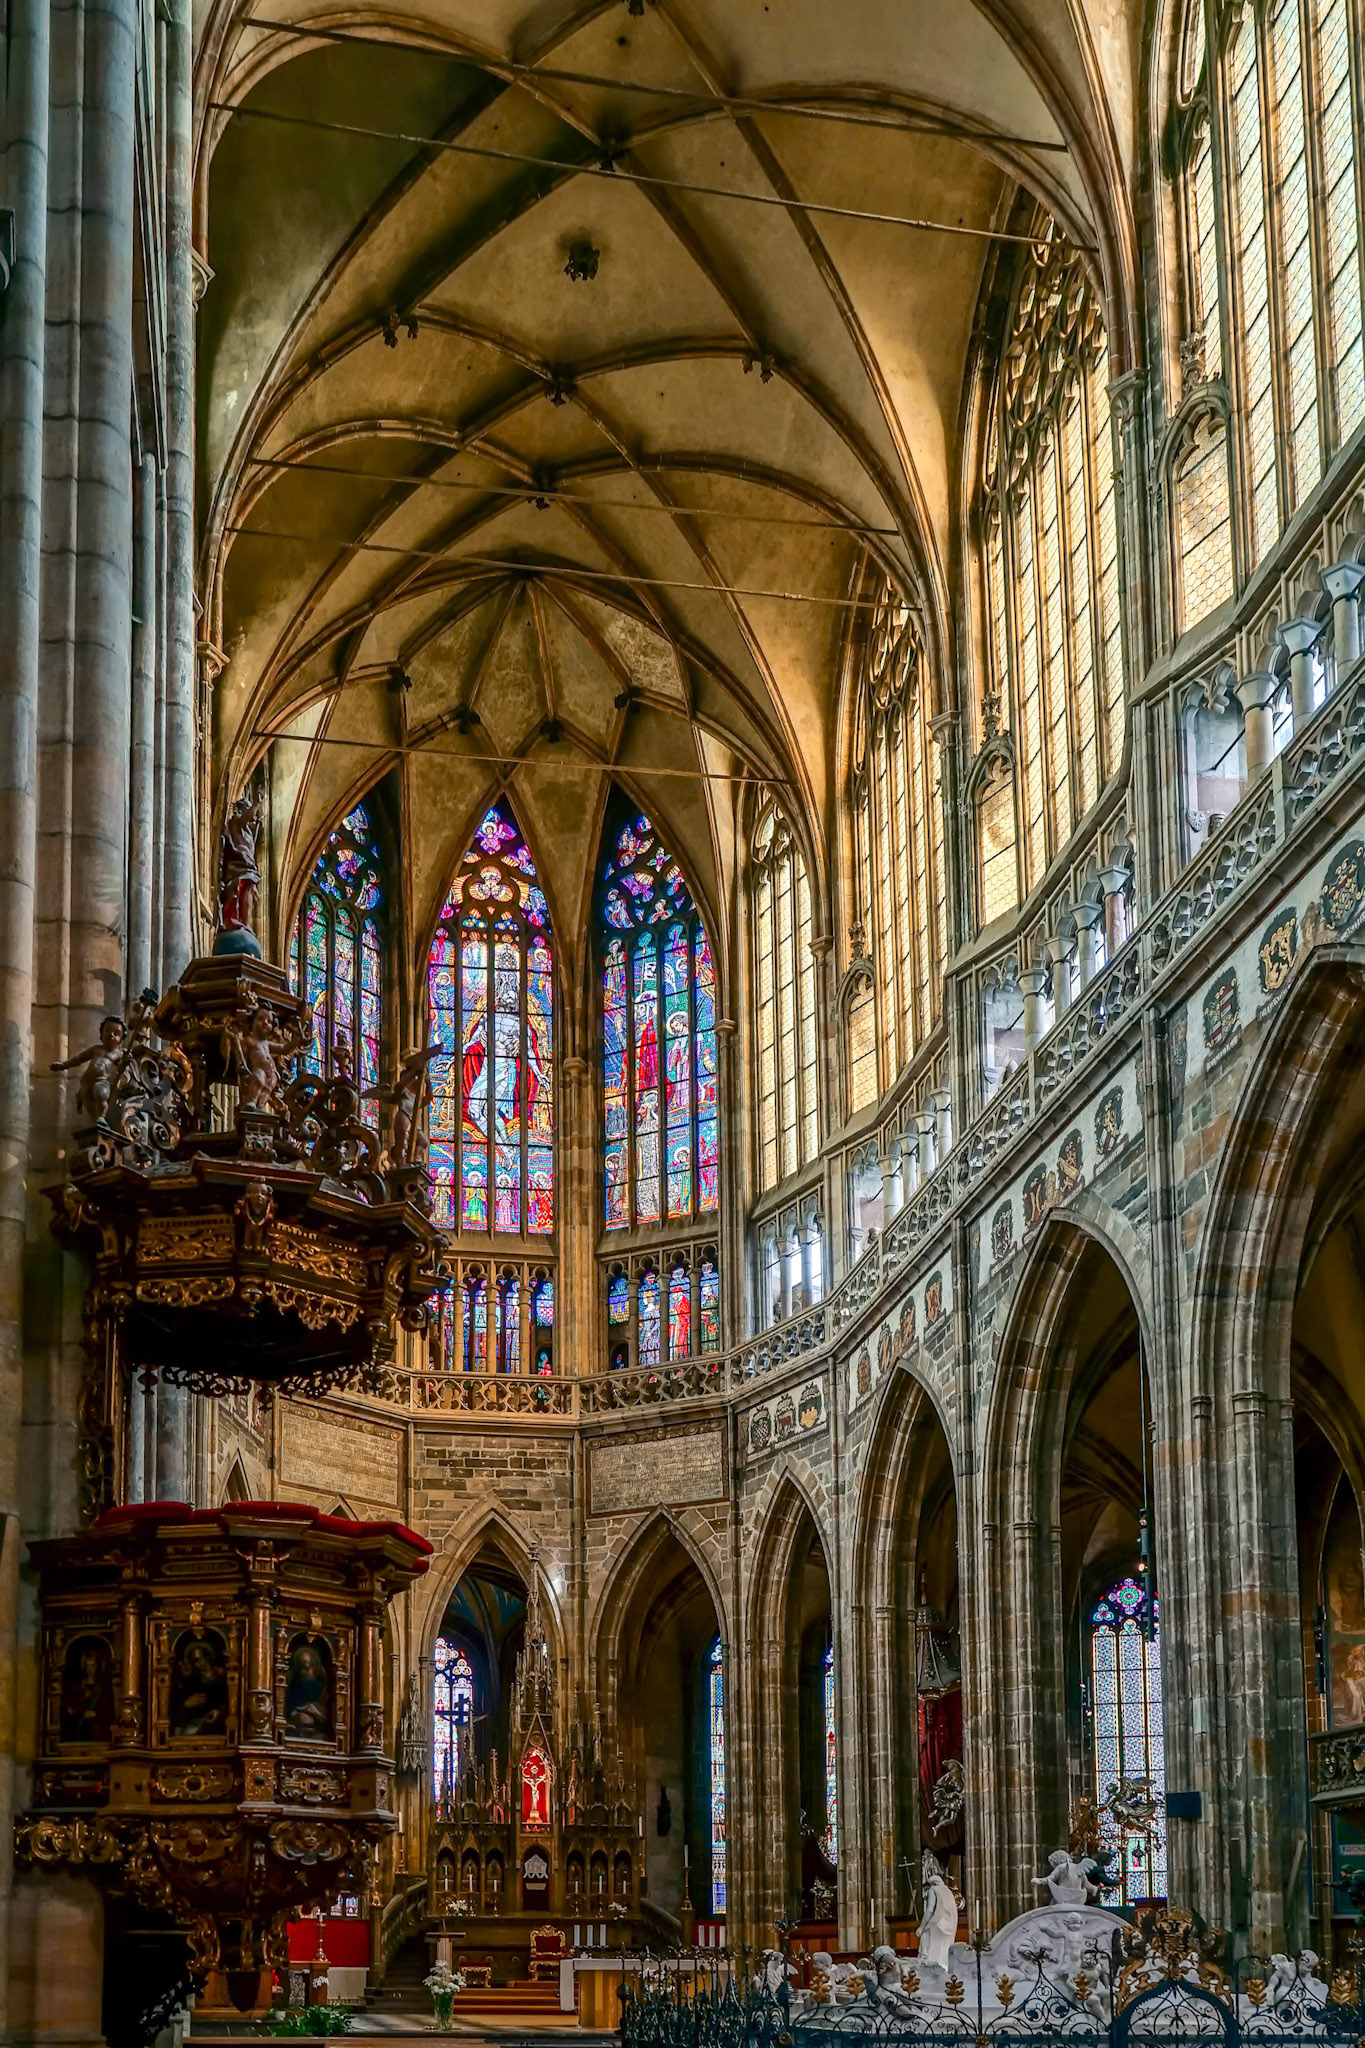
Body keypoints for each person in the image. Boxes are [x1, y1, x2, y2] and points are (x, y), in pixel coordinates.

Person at [50, 1016, 127, 1125]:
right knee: (88, 1101)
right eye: (108, 1031)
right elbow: (79, 1059)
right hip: (86, 1080)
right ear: (101, 1034)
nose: (111, 1035)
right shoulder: (96, 1049)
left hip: (102, 1080)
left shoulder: (120, 1054)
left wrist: (125, 1063)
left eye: (116, 1033)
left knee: (101, 1094)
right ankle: (91, 1113)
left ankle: (101, 1117)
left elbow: (124, 1070)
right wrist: (63, 1065)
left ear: (122, 1039)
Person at [285, 1641, 332, 1736]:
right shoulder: (295, 1685)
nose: (303, 1672)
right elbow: (289, 1706)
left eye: (307, 1668)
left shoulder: (320, 1686)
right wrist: (295, 1715)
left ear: (314, 1667)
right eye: (300, 1668)